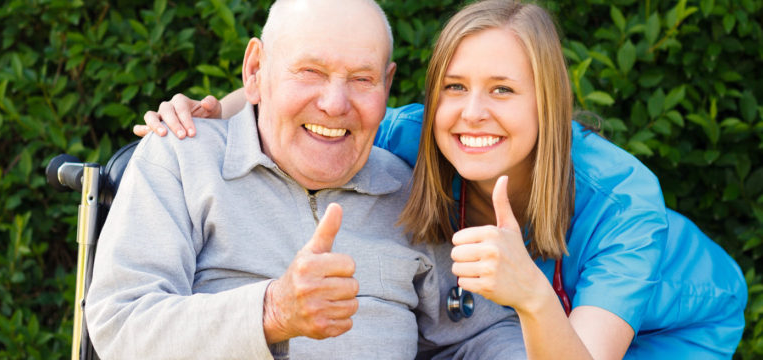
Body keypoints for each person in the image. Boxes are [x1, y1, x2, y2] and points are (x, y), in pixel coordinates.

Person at [141, 0, 747, 359]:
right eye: (455, 88)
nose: (472, 113)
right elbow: (309, 108)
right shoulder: (413, 135)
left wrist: (531, 293)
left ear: (551, 102)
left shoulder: (623, 201)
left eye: (503, 91)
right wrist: (209, 111)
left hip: (669, 319)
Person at [91, 0, 529, 359]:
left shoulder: (407, 190)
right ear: (255, 70)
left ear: (387, 84)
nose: (335, 104)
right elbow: (121, 325)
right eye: (310, 72)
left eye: (361, 79)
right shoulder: (183, 160)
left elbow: (478, 336)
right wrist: (271, 312)